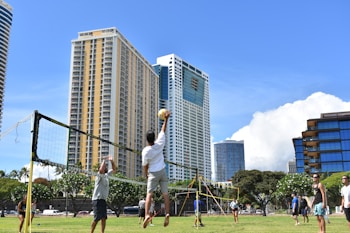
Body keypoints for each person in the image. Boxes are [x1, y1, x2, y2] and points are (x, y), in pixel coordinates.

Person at [142, 110, 171, 228]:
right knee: (165, 194)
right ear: (154, 138)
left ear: (147, 139)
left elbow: (145, 165)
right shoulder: (159, 143)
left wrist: (146, 174)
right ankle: (168, 213)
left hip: (153, 173)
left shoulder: (146, 151)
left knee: (149, 194)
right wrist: (166, 119)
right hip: (163, 171)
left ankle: (146, 215)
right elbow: (163, 130)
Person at [90, 156, 116, 233]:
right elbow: (101, 170)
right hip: (97, 200)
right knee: (97, 218)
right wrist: (104, 160)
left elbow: (114, 169)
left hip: (103, 200)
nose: (105, 167)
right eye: (104, 166)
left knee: (104, 218)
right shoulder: (99, 175)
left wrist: (111, 161)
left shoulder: (107, 175)